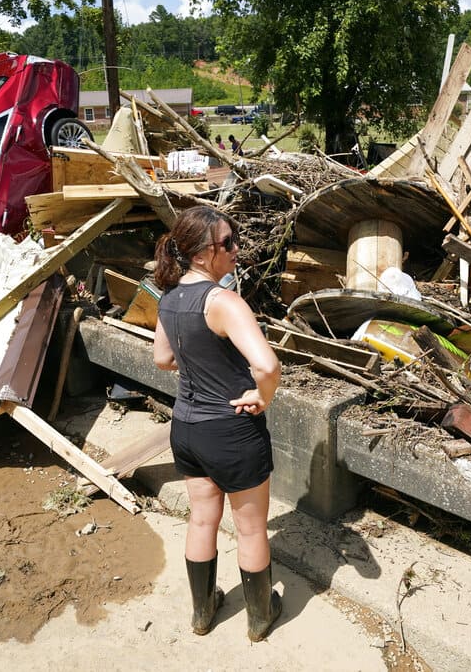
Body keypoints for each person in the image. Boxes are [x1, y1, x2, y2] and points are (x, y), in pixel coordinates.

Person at [152, 206, 282, 642]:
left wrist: (199, 362)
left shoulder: (168, 299)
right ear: (204, 254)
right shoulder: (224, 301)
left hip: (186, 427)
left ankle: (203, 615)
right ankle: (260, 618)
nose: (236, 249)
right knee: (249, 528)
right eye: (228, 243)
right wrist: (261, 397)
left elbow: (162, 359)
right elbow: (266, 364)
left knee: (202, 520)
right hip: (230, 430)